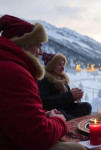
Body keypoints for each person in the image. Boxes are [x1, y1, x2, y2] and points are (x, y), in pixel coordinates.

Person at [0, 15, 86, 150]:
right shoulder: (15, 73)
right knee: (78, 148)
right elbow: (39, 133)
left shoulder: (9, 67)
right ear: (25, 43)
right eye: (38, 46)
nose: (40, 52)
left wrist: (44, 114)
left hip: (16, 136)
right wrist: (60, 120)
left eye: (64, 64)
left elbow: (18, 110)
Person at [38, 52, 92, 121]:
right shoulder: (44, 80)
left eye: (63, 64)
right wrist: (70, 95)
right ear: (51, 66)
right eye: (59, 64)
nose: (63, 67)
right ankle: (75, 124)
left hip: (65, 109)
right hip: (53, 112)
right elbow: (45, 103)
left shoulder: (63, 80)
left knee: (86, 106)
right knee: (62, 114)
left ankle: (75, 122)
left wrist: (75, 97)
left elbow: (68, 100)